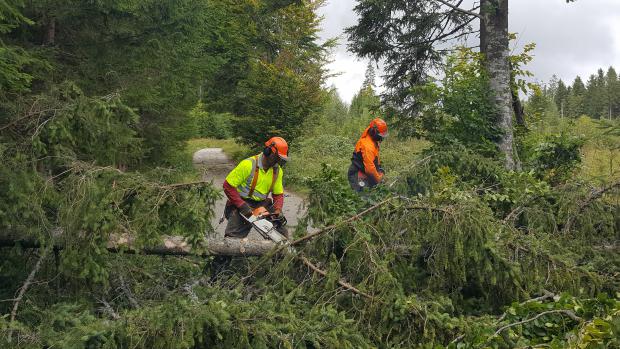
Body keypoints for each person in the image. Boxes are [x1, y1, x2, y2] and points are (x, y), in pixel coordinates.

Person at [222, 136, 289, 239]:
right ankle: (229, 252)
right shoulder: (248, 164)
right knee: (233, 238)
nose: (277, 162)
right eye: (276, 158)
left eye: (280, 159)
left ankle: (279, 251)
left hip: (262, 203)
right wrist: (241, 205)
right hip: (241, 202)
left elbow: (278, 194)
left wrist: (278, 209)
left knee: (281, 233)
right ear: (268, 151)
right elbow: (227, 185)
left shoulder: (277, 170)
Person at [348, 118, 388, 192]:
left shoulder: (373, 139)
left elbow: (375, 157)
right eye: (380, 136)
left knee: (373, 194)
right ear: (374, 132)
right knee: (363, 198)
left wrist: (379, 169)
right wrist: (379, 179)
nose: (381, 138)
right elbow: (370, 169)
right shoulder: (367, 146)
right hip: (358, 173)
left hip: (366, 172)